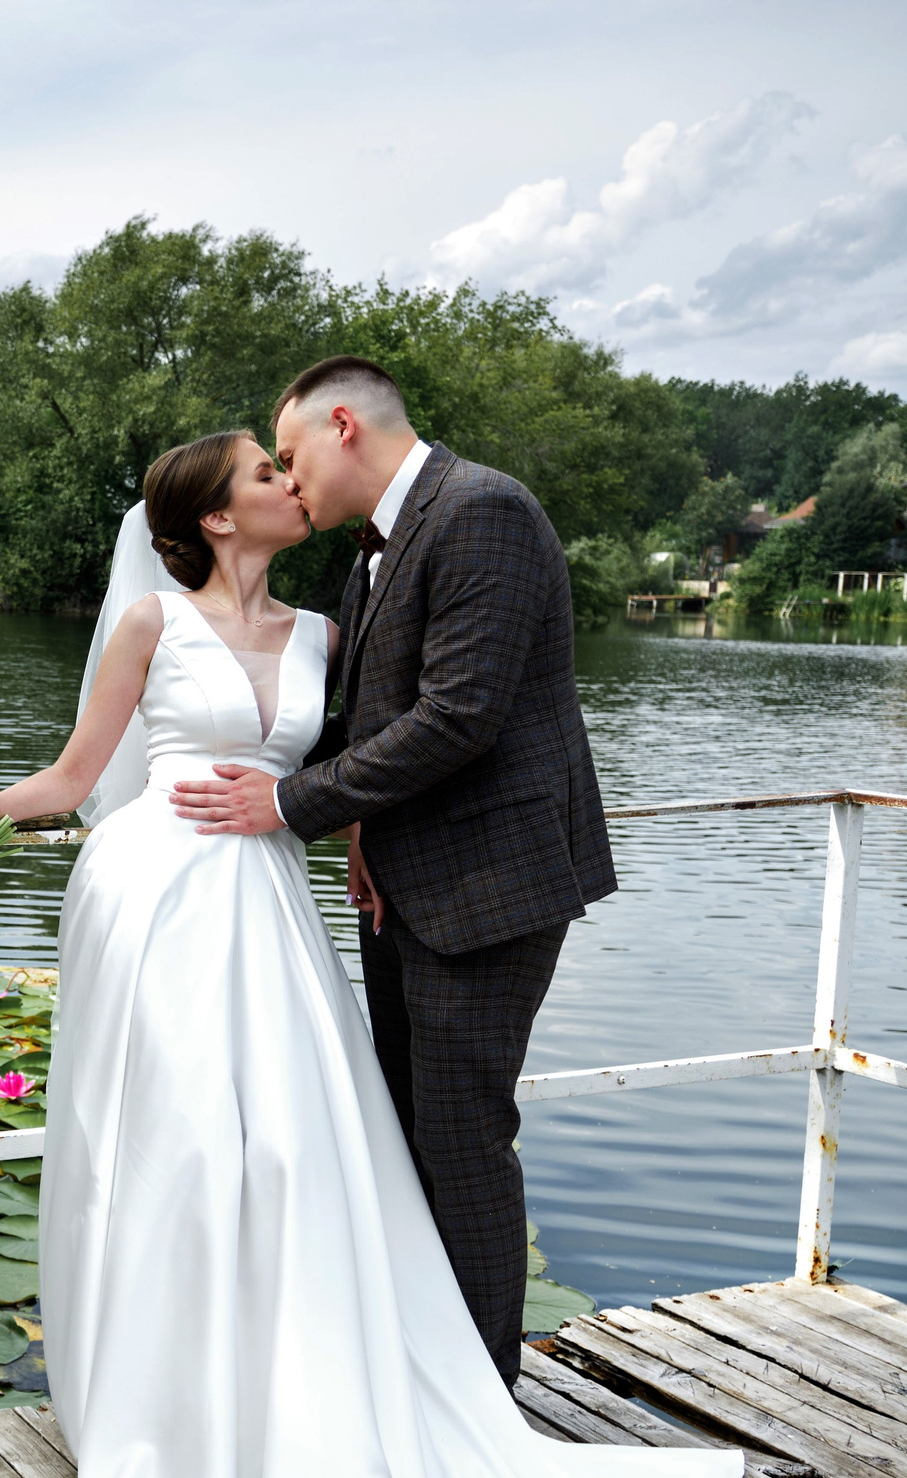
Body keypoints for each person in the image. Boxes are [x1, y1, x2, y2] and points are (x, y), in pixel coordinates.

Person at [0, 420, 738, 1478]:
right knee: (180, 1155)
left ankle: (290, 1444)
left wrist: (355, 842)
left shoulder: (328, 626)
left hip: (263, 903)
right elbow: (75, 777)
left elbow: (377, 748)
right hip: (151, 900)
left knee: (289, 1155)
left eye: (285, 465)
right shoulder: (147, 621)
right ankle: (177, 1439)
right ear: (211, 516)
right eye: (264, 475)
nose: (287, 485)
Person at [169, 355, 614, 1388]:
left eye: (289, 457)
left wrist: (288, 803)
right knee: (410, 1141)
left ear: (341, 427)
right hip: (405, 883)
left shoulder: (480, 512)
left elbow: (458, 715)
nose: (289, 481)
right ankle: (426, 1379)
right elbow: (381, 714)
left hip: (489, 889)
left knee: (461, 1147)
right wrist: (363, 836)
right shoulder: (374, 552)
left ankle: (481, 1406)